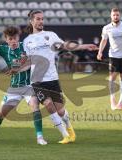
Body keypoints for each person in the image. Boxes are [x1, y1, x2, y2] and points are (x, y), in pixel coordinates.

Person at [22, 10, 98, 144]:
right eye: (38, 19)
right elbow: (29, 61)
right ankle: (65, 136)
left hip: (52, 78)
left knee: (61, 110)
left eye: (42, 19)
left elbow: (66, 46)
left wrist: (84, 46)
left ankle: (69, 129)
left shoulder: (50, 35)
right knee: (48, 105)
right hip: (37, 81)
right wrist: (18, 68)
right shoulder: (27, 41)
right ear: (31, 21)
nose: (41, 21)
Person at [97, 7, 122, 110]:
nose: (116, 16)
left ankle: (121, 102)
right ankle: (112, 99)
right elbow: (104, 40)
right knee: (112, 77)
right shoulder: (106, 28)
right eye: (114, 15)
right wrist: (100, 52)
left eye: (117, 15)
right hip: (113, 55)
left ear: (120, 16)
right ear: (111, 16)